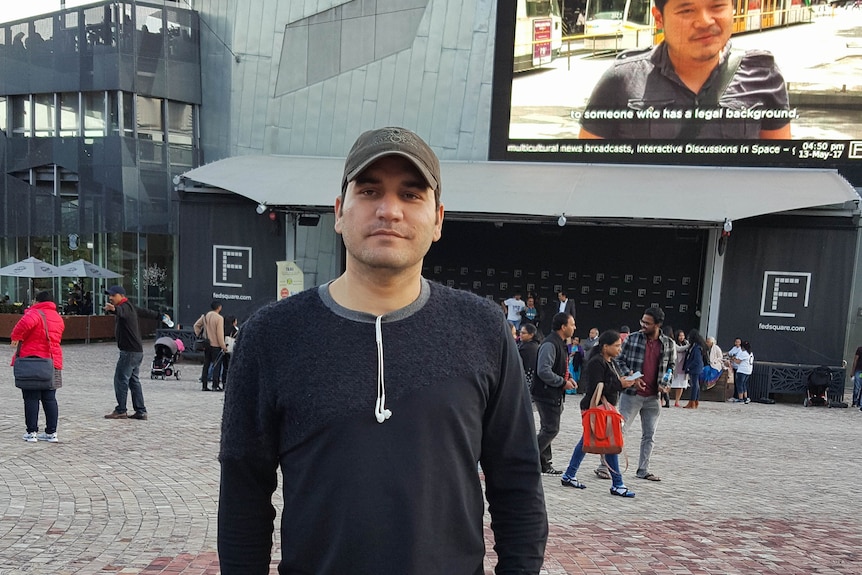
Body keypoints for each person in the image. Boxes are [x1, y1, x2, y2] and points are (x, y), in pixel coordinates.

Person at [217, 126, 548, 574]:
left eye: (411, 195)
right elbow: (243, 492)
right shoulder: (272, 335)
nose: (389, 210)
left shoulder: (482, 329)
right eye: (369, 190)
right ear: (339, 211)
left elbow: (518, 479)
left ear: (438, 220)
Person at [578, 0, 791, 140]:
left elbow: (778, 173)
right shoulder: (621, 79)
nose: (705, 21)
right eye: (686, 10)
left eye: (717, 6)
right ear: (659, 18)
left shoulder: (763, 74)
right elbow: (586, 173)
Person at [560, 330, 639, 497]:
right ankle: (617, 483)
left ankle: (569, 474)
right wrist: (620, 384)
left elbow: (611, 382)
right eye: (616, 346)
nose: (619, 349)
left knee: (588, 441)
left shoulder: (610, 361)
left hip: (605, 408)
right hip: (596, 408)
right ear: (605, 347)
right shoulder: (596, 362)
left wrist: (627, 381)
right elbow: (597, 386)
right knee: (608, 442)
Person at [604, 306, 675, 482]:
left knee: (649, 435)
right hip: (631, 394)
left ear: (657, 325)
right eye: (642, 321)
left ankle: (643, 469)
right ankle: (605, 466)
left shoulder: (668, 344)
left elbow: (671, 367)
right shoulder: (632, 339)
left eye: (647, 323)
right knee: (620, 430)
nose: (643, 325)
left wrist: (665, 384)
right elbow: (618, 360)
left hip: (653, 397)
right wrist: (631, 376)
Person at [11, 291, 65, 443]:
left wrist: (16, 338)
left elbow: (22, 326)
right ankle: (51, 433)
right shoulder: (57, 317)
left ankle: (31, 432)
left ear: (37, 301)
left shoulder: (35, 313)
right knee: (50, 398)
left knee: (31, 397)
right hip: (52, 361)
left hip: (32, 361)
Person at [103, 285, 162, 421]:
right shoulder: (131, 307)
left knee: (120, 379)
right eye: (109, 296)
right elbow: (146, 312)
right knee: (134, 381)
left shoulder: (125, 307)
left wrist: (114, 310)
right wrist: (160, 316)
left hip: (129, 352)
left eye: (113, 295)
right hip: (136, 351)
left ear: (121, 295)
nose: (110, 298)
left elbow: (121, 312)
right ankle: (140, 411)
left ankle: (121, 410)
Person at [532, 312, 577, 475]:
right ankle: (528, 458)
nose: (575, 327)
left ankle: (544, 463)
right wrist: (563, 382)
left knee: (547, 428)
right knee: (551, 429)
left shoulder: (561, 343)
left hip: (553, 393)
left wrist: (569, 377)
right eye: (572, 324)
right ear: (563, 327)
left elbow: (561, 367)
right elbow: (543, 371)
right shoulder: (550, 344)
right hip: (546, 393)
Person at [194, 300, 227, 392]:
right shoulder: (219, 318)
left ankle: (204, 385)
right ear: (219, 307)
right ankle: (215, 385)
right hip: (216, 344)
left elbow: (196, 325)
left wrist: (200, 335)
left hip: (206, 344)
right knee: (216, 365)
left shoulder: (205, 316)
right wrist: (223, 346)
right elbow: (219, 333)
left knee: (206, 364)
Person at [683, 329, 708, 409]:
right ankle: (695, 401)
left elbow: (696, 359)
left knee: (694, 385)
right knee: (696, 385)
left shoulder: (696, 347)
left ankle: (692, 401)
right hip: (697, 367)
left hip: (695, 368)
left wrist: (689, 366)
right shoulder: (697, 345)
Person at [670, 329, 690, 408]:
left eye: (683, 335)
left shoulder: (686, 343)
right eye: (680, 335)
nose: (682, 337)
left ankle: (677, 401)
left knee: (681, 385)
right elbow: (679, 349)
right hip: (676, 367)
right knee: (671, 384)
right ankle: (664, 399)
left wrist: (688, 344)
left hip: (683, 367)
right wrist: (688, 345)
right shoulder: (674, 343)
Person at [218, 315, 239, 388]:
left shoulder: (223, 329)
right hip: (231, 349)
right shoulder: (235, 330)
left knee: (224, 367)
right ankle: (229, 383)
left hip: (223, 348)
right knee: (230, 367)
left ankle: (224, 382)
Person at [519, 322, 540, 390]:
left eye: (523, 333)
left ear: (531, 335)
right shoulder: (534, 345)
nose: (521, 335)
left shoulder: (528, 348)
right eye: (520, 332)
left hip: (526, 378)